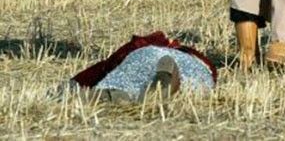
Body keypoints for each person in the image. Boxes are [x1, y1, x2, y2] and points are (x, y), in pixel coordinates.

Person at [66, 32, 216, 103]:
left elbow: (102, 68)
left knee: (122, 80)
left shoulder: (143, 46)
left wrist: (73, 84)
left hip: (149, 55)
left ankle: (111, 93)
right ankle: (164, 79)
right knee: (192, 85)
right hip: (199, 71)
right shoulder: (199, 60)